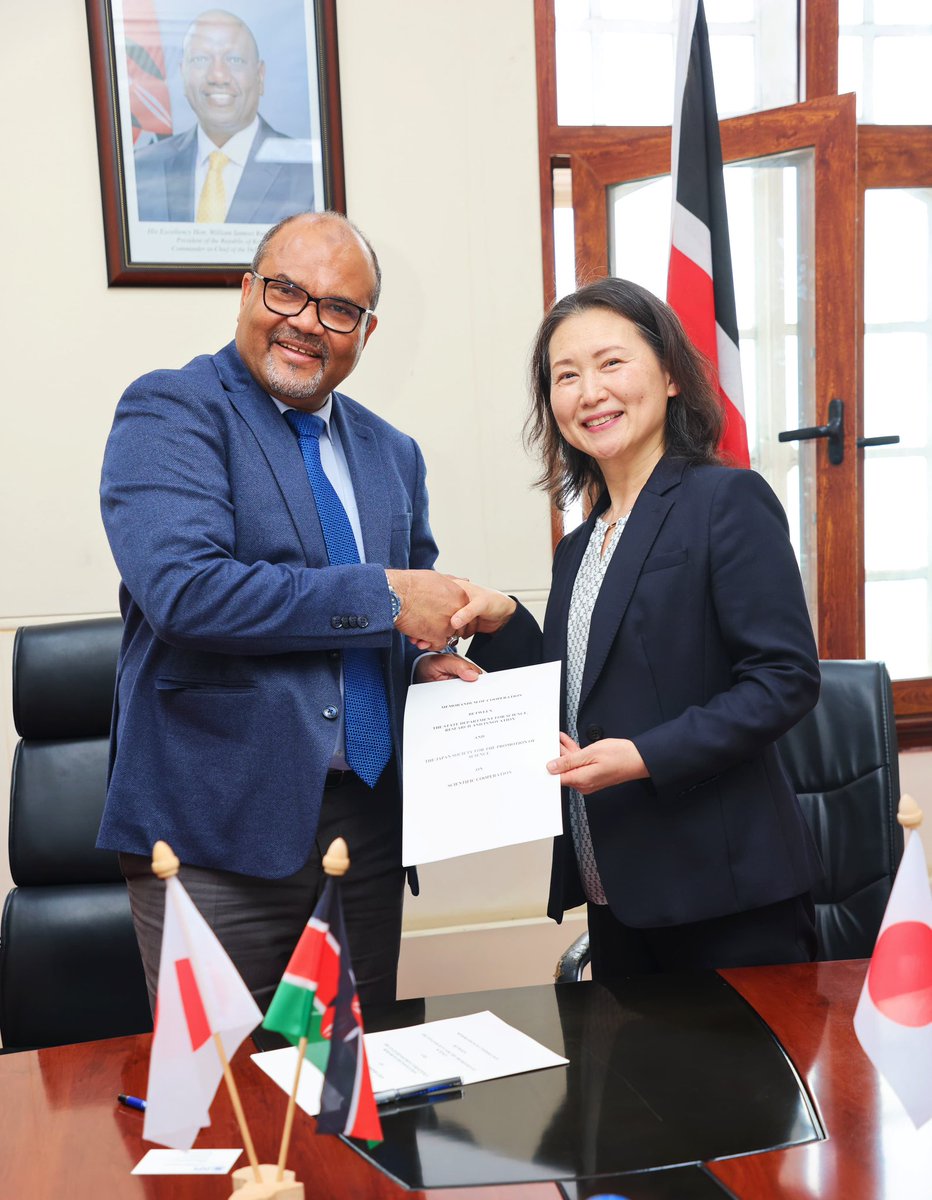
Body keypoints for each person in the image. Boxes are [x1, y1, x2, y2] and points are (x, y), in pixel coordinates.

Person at [98, 210, 498, 1011]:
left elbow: (398, 621)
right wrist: (388, 597)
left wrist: (426, 660)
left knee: (348, 1078)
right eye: (287, 291)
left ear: (366, 331)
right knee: (229, 1082)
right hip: (215, 833)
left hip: (366, 835)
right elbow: (188, 594)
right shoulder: (171, 410)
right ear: (247, 291)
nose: (308, 322)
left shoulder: (393, 453)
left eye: (339, 308)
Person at [460, 277, 824, 981]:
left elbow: (785, 680)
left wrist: (644, 755)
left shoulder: (725, 500)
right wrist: (504, 620)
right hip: (615, 891)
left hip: (725, 895)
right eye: (566, 376)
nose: (590, 392)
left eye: (611, 363)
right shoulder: (578, 545)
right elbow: (580, 688)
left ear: (670, 376)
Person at [134, 9, 314, 223]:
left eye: (234, 59)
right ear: (183, 74)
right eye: (201, 59)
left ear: (260, 76)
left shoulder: (309, 174)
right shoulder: (141, 168)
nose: (218, 75)